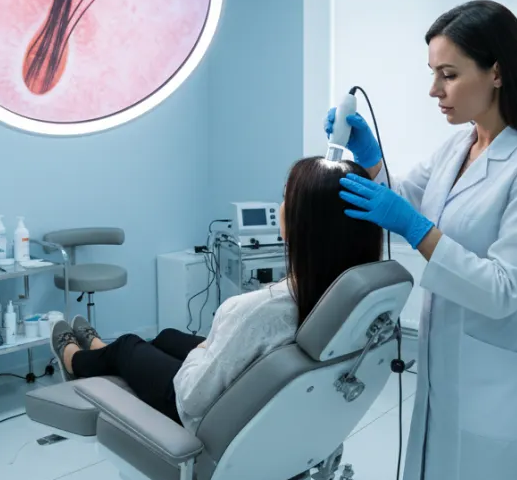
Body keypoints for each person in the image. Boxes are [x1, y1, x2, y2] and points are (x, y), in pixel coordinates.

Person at [326, 0, 517, 480]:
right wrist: (371, 160)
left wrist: (415, 228)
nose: (434, 90)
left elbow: (504, 288)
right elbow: (404, 197)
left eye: (449, 74)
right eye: (432, 73)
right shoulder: (459, 146)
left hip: (501, 385)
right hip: (446, 369)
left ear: (497, 73)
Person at [49, 156, 383, 431]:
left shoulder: (254, 310)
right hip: (252, 382)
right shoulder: (348, 299)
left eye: (286, 198)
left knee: (129, 346)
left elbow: (192, 397)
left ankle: (78, 360)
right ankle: (99, 350)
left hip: (199, 408)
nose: (281, 206)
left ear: (302, 223)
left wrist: (210, 346)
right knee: (165, 336)